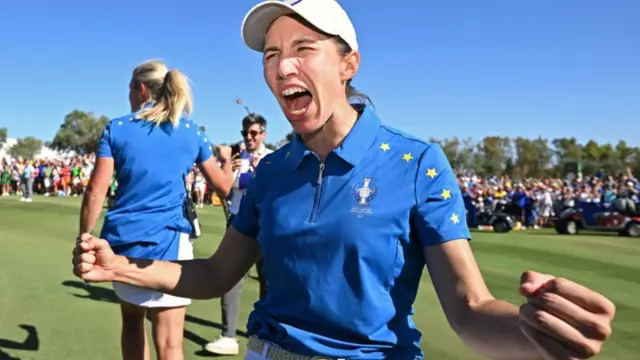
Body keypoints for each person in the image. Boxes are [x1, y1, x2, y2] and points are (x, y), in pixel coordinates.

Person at [73, 1, 616, 359]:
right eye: (271, 55)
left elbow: (470, 310)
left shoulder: (417, 163)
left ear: (348, 63)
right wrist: (123, 266)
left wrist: (529, 331)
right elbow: (216, 273)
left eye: (303, 49)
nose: (283, 68)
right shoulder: (271, 172)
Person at [77, 59, 233, 360]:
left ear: (141, 88)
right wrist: (226, 160)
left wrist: (84, 236)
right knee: (171, 341)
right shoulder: (191, 131)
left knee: (132, 322)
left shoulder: (117, 129)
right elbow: (223, 187)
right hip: (171, 242)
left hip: (123, 241)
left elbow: (95, 190)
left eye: (130, 89)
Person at [204, 113, 272, 356]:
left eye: (254, 133)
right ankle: (228, 335)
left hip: (265, 224)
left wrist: (258, 172)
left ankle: (265, 335)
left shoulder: (272, 158)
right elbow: (224, 188)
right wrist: (225, 164)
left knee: (268, 280)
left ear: (263, 134)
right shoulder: (235, 157)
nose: (249, 138)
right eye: (245, 133)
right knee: (231, 278)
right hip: (238, 222)